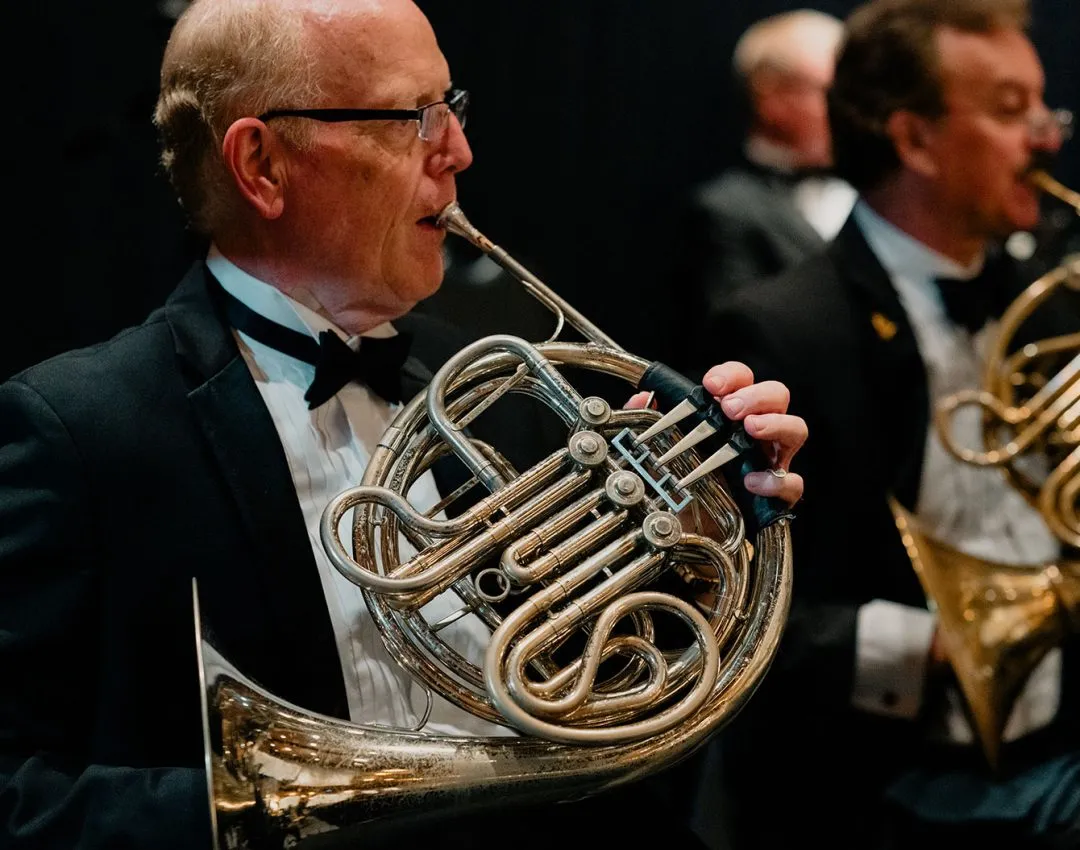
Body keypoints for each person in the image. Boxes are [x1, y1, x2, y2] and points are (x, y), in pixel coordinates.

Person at [0, 2, 808, 849]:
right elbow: (19, 794)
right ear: (262, 164)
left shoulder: (513, 398)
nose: (458, 152)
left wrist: (694, 550)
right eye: (412, 118)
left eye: (452, 109)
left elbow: (608, 697)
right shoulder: (81, 433)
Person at [698, 1, 1079, 848]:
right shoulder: (782, 328)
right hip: (881, 783)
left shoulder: (1052, 307)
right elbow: (733, 613)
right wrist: (947, 644)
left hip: (1054, 737)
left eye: (1045, 109)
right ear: (913, 140)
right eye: (1012, 111)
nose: (1047, 139)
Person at [671, 8, 856, 361]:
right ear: (772, 98)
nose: (848, 110)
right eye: (830, 90)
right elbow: (738, 341)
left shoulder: (880, 191)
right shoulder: (723, 209)